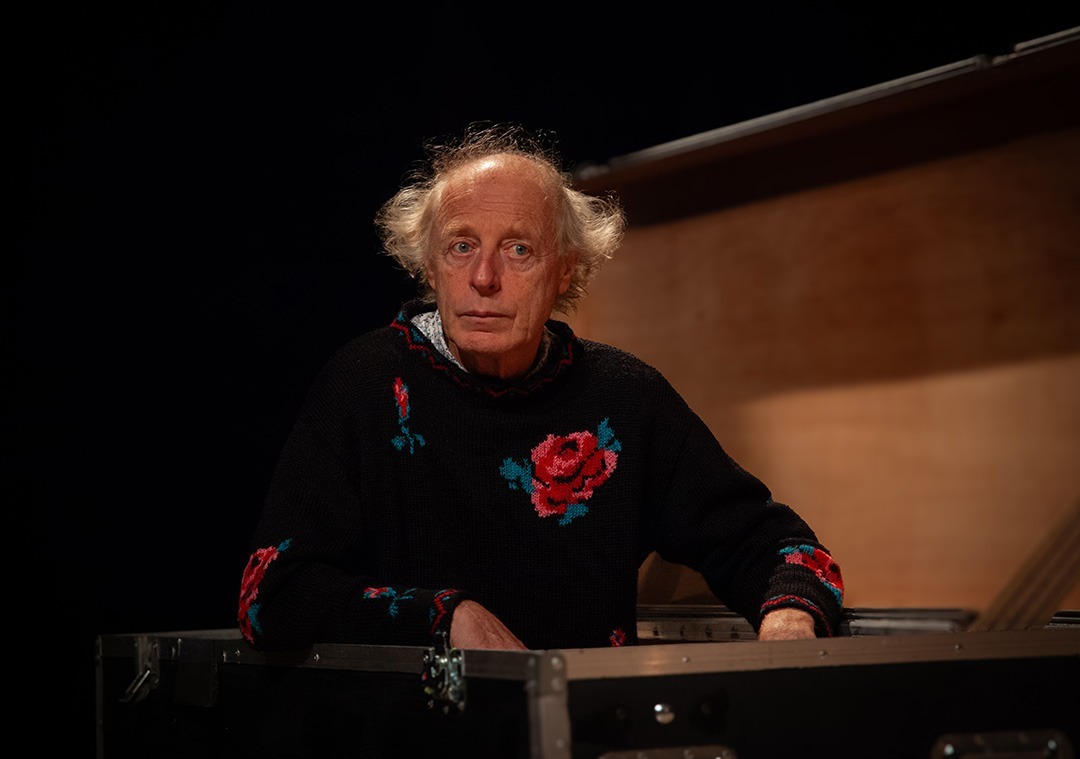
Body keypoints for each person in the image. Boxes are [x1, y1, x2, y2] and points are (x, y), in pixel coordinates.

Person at [237, 123, 844, 653]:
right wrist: (444, 617)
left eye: (519, 249)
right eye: (461, 247)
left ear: (565, 270)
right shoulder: (364, 383)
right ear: (429, 266)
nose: (484, 277)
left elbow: (775, 546)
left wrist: (789, 621)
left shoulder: (625, 397)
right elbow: (271, 594)